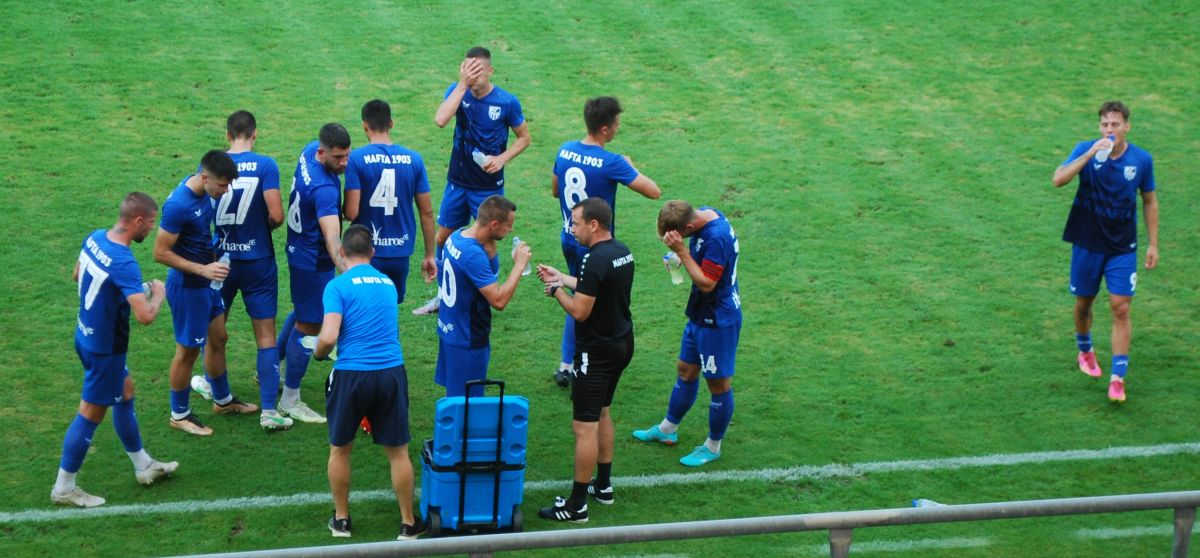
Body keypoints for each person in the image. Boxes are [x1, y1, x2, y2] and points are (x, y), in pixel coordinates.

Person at [52, 192, 178, 507]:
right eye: (151, 222)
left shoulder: (94, 238)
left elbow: (77, 275)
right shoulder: (124, 261)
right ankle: (64, 488)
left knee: (126, 390)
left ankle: (143, 465)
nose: (152, 228)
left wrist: (133, 290)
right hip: (105, 349)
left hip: (85, 335)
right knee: (89, 414)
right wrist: (158, 294)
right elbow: (145, 316)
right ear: (137, 220)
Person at [315, 225, 424, 540]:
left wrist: (319, 353)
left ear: (342, 253)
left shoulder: (337, 286)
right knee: (398, 452)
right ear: (372, 253)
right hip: (391, 373)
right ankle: (408, 523)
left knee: (340, 449)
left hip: (352, 374)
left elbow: (329, 336)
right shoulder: (388, 284)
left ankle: (342, 520)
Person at [190, 110, 292, 431]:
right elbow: (277, 215)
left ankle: (214, 387)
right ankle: (269, 411)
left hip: (220, 263)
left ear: (227, 135)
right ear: (255, 134)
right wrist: (258, 230)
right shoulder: (265, 165)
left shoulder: (210, 167)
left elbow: (199, 210)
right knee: (266, 336)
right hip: (257, 261)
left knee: (215, 331)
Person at [535, 198, 636, 523]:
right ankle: (603, 486)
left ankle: (576, 505)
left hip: (596, 352)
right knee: (603, 412)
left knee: (584, 426)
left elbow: (580, 311)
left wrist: (556, 291)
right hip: (622, 343)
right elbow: (597, 287)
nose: (572, 229)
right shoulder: (621, 251)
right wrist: (563, 278)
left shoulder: (593, 258)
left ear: (594, 224)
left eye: (576, 223)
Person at [1051, 100, 1159, 403]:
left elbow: (1149, 200)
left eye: (1115, 124)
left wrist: (1153, 243)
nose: (1109, 130)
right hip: (1087, 242)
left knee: (1120, 307)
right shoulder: (1085, 149)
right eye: (1104, 124)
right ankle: (1085, 350)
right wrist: (1089, 155)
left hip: (1122, 246)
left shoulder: (1141, 160)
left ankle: (1117, 378)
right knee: (1084, 303)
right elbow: (1058, 179)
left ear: (1127, 127)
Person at [549, 96, 660, 387]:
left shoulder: (565, 150)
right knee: (587, 301)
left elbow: (555, 190)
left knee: (580, 292)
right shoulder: (612, 162)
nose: (618, 127)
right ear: (605, 129)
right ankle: (577, 363)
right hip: (594, 245)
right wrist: (630, 166)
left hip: (569, 236)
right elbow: (654, 192)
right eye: (617, 123)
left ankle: (567, 362)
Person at [413, 46, 531, 316]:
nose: (472, 75)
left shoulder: (506, 102)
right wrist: (462, 85)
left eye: (477, 70)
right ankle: (444, 295)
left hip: (487, 187)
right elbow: (440, 119)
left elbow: (525, 138)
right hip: (457, 182)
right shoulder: (457, 92)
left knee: (487, 243)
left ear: (490, 71)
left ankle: (487, 296)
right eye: (468, 69)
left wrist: (501, 159)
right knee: (443, 237)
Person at [154, 151, 259, 437]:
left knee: (219, 337)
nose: (225, 191)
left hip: (207, 283)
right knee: (187, 351)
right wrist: (203, 269)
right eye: (222, 185)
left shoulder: (202, 192)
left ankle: (222, 400)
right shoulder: (178, 205)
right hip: (189, 287)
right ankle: (179, 414)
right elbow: (160, 253)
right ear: (204, 177)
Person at [632, 200, 741, 467]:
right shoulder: (705, 213)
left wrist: (682, 251)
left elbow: (707, 283)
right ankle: (668, 429)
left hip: (718, 319)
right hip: (700, 313)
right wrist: (679, 256)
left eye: (678, 237)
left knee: (718, 384)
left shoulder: (716, 238)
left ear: (688, 227)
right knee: (686, 369)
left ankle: (713, 446)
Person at [278, 123, 353, 424]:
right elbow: (333, 240)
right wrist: (350, 274)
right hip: (313, 259)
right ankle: (289, 400)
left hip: (298, 247)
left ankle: (270, 366)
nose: (344, 163)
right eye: (338, 158)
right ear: (323, 153)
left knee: (303, 312)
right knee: (309, 325)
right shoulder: (324, 190)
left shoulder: (309, 150)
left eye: (347, 155)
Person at [434, 195, 531, 397]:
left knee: (456, 396)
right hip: (467, 338)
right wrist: (519, 266)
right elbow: (498, 300)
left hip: (449, 329)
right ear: (494, 224)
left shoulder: (457, 236)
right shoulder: (473, 255)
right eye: (508, 225)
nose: (511, 230)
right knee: (466, 403)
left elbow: (489, 272)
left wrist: (491, 246)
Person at [343, 99, 437, 306]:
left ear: (365, 126)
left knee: (362, 307)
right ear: (391, 124)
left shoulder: (356, 159)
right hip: (399, 252)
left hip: (364, 251)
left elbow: (351, 213)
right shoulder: (414, 159)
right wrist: (430, 254)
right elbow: (427, 213)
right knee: (389, 307)